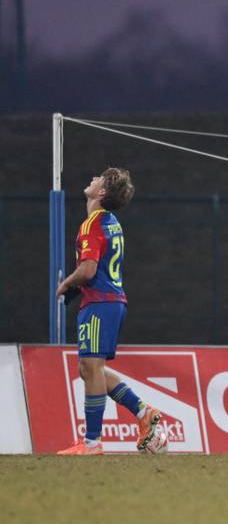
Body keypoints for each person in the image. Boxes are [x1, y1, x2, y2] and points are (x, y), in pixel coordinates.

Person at [55, 168, 163, 455]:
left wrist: (67, 283)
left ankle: (92, 443)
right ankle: (143, 412)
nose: (92, 179)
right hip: (111, 302)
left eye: (98, 179)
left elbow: (88, 270)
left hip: (100, 304)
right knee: (90, 369)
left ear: (101, 192)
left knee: (91, 368)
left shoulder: (91, 224)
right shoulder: (112, 222)